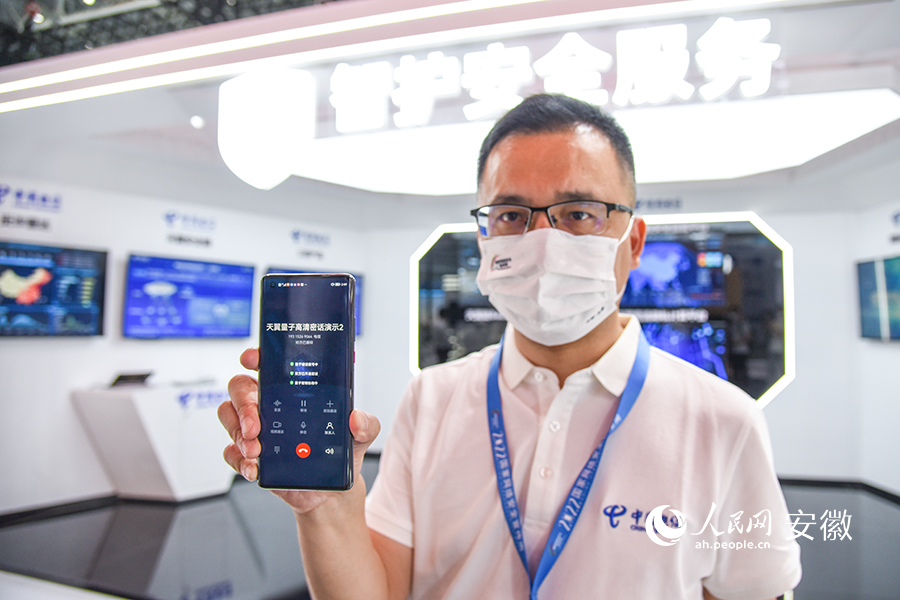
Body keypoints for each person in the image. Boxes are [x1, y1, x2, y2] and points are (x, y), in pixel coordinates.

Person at [219, 94, 801, 600]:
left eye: (579, 213)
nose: (543, 240)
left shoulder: (723, 421)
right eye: (512, 215)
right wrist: (326, 505)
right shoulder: (431, 398)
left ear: (634, 241)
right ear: (484, 235)